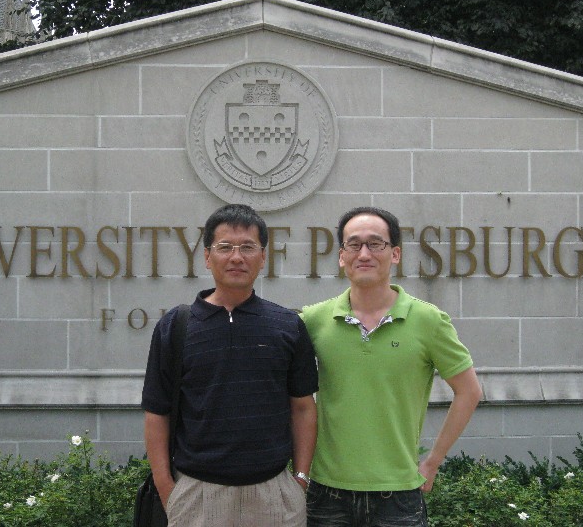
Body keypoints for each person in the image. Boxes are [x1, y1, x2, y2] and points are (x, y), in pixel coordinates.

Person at [300, 206, 482, 527]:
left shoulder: (428, 321)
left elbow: (469, 391)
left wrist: (433, 462)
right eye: (354, 244)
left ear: (395, 254)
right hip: (327, 494)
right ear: (341, 256)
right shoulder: (313, 321)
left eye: (376, 244)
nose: (364, 254)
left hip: (398, 496)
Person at [141, 203, 318, 527]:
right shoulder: (175, 327)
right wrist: (167, 488)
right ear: (207, 257)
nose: (237, 257)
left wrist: (301, 479)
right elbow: (157, 413)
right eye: (225, 247)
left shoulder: (288, 325)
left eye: (248, 247)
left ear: (263, 257)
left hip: (274, 496)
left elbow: (303, 407)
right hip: (197, 496)